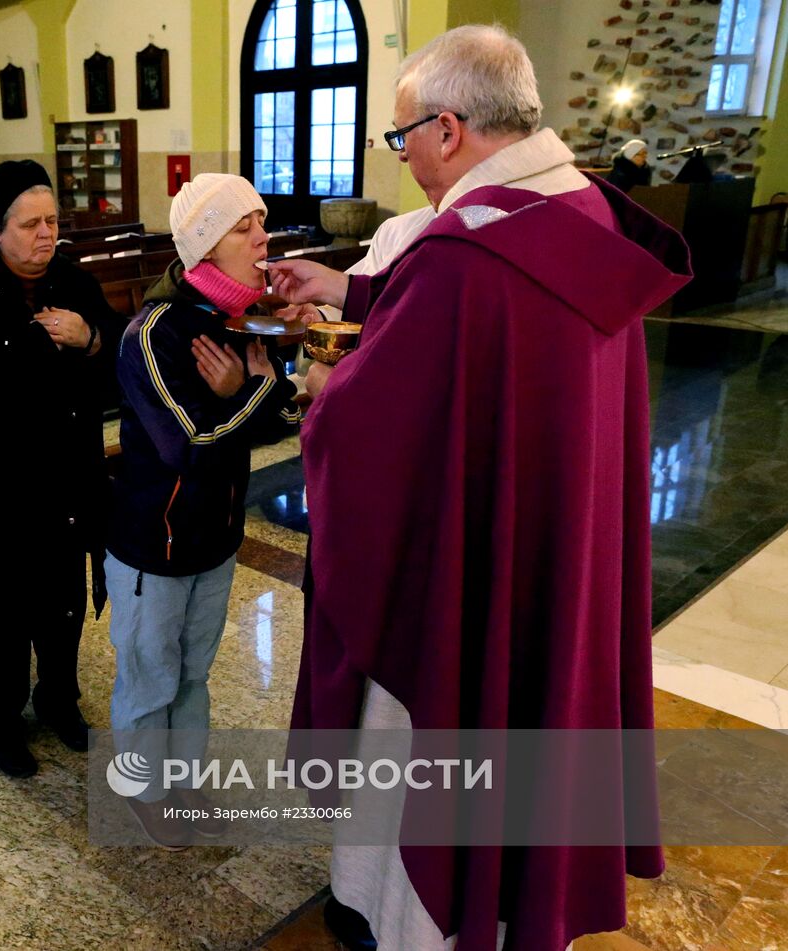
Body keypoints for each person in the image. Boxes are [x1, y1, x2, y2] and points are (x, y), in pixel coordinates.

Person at [271, 25, 691, 950]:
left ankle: (417, 921)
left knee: (441, 722)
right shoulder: (578, 214)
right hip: (559, 547)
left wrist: (323, 391)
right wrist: (350, 291)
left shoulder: (473, 250)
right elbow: (467, 329)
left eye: (401, 137)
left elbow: (379, 422)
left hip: (460, 580)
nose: (403, 155)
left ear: (449, 128)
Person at [106, 173, 301, 846]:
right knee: (148, 679)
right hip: (152, 549)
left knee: (192, 677)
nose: (263, 236)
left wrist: (260, 388)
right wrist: (259, 387)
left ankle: (182, 782)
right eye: (245, 226)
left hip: (214, 542)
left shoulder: (239, 319)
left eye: (261, 221)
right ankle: (140, 792)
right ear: (203, 245)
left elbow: (273, 422)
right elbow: (190, 445)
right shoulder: (154, 333)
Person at [0, 160, 121, 777]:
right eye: (31, 223)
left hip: (65, 477)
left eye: (53, 221)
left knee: (61, 605)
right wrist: (44, 342)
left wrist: (88, 339)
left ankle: (58, 700)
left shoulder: (71, 279)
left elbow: (116, 350)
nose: (47, 234)